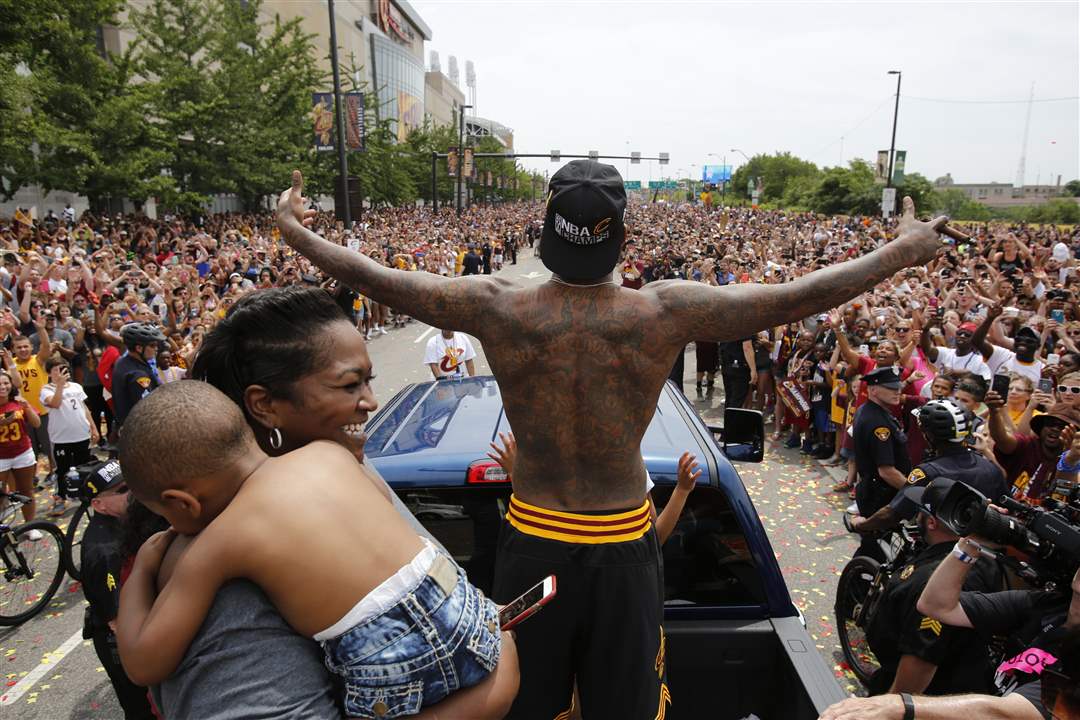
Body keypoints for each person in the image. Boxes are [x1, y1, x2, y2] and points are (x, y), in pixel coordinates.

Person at [276, 163, 949, 720]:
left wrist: (296, 232)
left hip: (533, 544)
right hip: (624, 546)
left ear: (547, 233)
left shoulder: (496, 305)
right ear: (620, 239)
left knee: (525, 703)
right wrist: (902, 250)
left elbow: (380, 278)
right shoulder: (664, 312)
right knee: (625, 709)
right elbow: (793, 297)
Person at [115, 381, 519, 720]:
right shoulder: (331, 454)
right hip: (469, 616)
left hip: (394, 666)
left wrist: (145, 569)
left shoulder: (220, 541)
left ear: (182, 503)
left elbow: (144, 662)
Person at [863, 478, 1003, 697]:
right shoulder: (984, 559)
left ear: (931, 522)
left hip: (930, 692)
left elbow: (921, 659)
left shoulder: (936, 580)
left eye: (920, 512)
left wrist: (892, 705)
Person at [851, 398, 1006, 535]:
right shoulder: (990, 468)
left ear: (928, 435)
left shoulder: (927, 472)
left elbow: (892, 514)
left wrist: (862, 525)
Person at [79, 460, 156, 720]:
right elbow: (118, 621)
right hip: (123, 640)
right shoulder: (103, 551)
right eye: (123, 489)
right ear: (98, 505)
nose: (132, 492)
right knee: (143, 711)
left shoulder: (132, 516)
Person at [850, 366, 912, 561]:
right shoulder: (878, 423)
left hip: (873, 490)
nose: (897, 391)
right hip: (880, 495)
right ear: (873, 389)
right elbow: (887, 471)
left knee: (877, 550)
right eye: (891, 388)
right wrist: (913, 492)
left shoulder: (869, 410)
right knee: (875, 553)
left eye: (898, 387)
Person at [40, 356, 98, 516]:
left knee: (84, 465)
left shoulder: (76, 387)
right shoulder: (46, 390)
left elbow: (84, 408)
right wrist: (59, 385)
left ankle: (85, 493)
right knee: (62, 469)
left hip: (81, 434)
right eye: (56, 369)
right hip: (61, 438)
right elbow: (55, 403)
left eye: (63, 368)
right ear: (49, 372)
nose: (60, 372)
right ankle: (60, 498)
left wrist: (93, 427)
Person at [0, 366, 41, 531]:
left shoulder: (18, 402)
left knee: (26, 490)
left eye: (5, 383)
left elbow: (37, 423)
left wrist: (27, 407)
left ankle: (30, 526)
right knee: (1, 494)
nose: (2, 387)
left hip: (22, 453)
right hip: (1, 457)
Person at [111, 322, 165, 428]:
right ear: (139, 348)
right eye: (152, 345)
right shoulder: (138, 375)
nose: (156, 349)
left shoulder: (123, 361)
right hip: (138, 429)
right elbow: (147, 409)